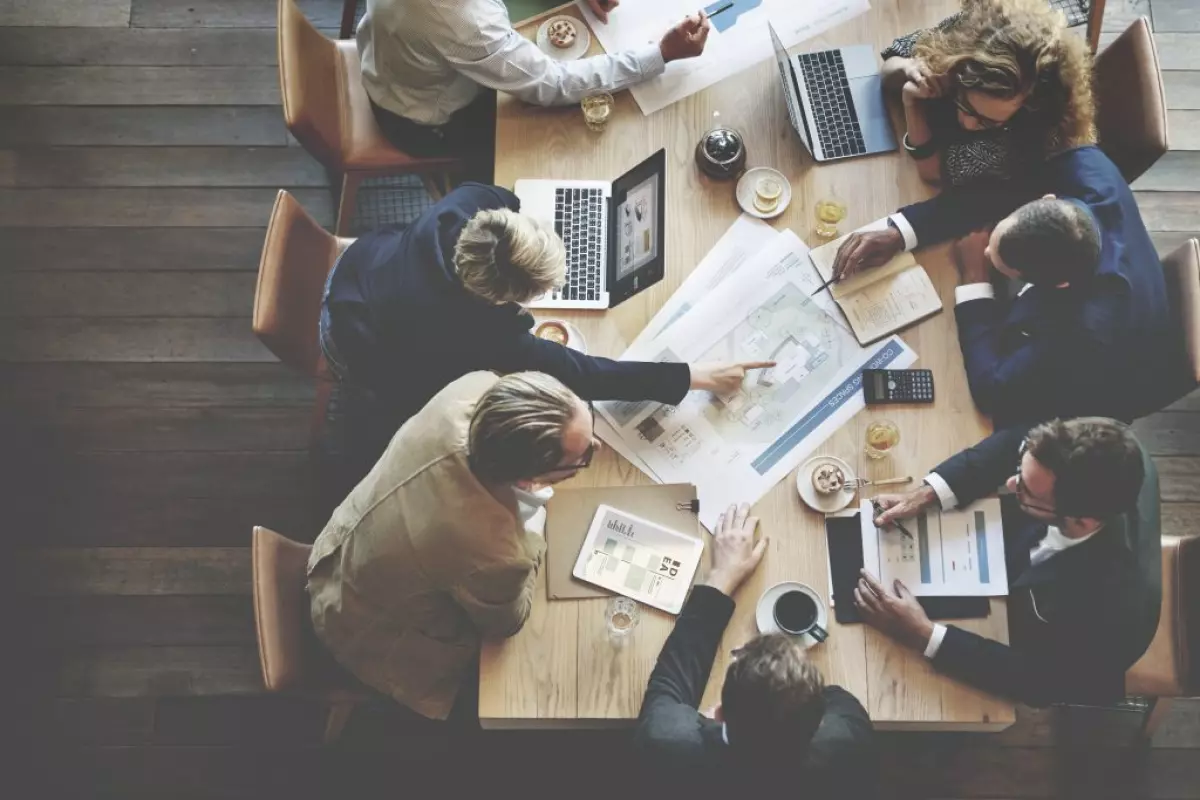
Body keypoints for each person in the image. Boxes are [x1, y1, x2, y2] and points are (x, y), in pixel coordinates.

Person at [319, 181, 769, 481]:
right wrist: (695, 376)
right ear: (498, 300)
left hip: (361, 265)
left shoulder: (461, 208)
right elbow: (589, 375)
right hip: (353, 337)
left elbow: (509, 202)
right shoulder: (482, 335)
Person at [309, 370, 605, 721]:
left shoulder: (470, 388)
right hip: (368, 632)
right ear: (529, 476)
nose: (596, 448)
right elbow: (506, 623)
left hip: (344, 546)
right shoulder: (498, 554)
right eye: (580, 459)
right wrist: (534, 522)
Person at [829, 145, 1170, 427]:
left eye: (998, 262)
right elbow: (1000, 192)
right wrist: (901, 233)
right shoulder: (1085, 164)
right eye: (997, 238)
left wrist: (975, 277)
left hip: (1094, 391)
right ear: (1047, 201)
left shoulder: (1081, 330)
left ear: (1056, 285)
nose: (987, 250)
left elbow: (994, 388)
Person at [854, 417, 1161, 708]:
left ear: (1082, 520)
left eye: (1026, 491)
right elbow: (1011, 444)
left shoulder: (1114, 608)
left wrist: (924, 635)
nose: (1011, 482)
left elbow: (1045, 682)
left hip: (1051, 639)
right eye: (1020, 468)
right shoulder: (1092, 440)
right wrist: (926, 494)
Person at [634, 503, 878, 797]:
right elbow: (837, 697)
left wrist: (722, 577)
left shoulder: (670, 741)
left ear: (719, 713)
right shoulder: (845, 743)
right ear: (819, 720)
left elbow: (670, 680)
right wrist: (787, 668)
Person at [357, 0, 711, 181]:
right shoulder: (463, 19)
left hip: (388, 57)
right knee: (561, 147)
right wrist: (661, 54)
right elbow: (555, 84)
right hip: (423, 117)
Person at [879, 0, 1095, 188]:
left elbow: (934, 172)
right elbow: (893, 57)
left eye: (987, 122)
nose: (968, 122)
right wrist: (908, 68)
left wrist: (912, 104)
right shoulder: (974, 35)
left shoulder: (1035, 131)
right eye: (964, 102)